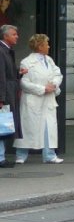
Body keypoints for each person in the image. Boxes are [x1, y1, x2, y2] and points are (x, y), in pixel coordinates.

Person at [14, 34, 63, 164]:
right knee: (28, 128)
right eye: (47, 44)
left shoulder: (49, 60)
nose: (49, 46)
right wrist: (43, 89)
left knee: (49, 128)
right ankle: (21, 155)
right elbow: (23, 83)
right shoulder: (26, 62)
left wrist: (54, 84)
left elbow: (58, 74)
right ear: (40, 46)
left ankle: (49, 155)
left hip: (48, 100)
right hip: (33, 100)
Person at [0, 24, 25, 167]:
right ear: (6, 36)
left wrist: (19, 74)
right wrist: (1, 98)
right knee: (2, 125)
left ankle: (1, 157)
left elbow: (7, 73)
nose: (17, 37)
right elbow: (1, 76)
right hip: (6, 94)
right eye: (14, 34)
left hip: (8, 92)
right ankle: (0, 158)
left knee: (3, 125)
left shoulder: (6, 50)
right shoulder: (2, 51)